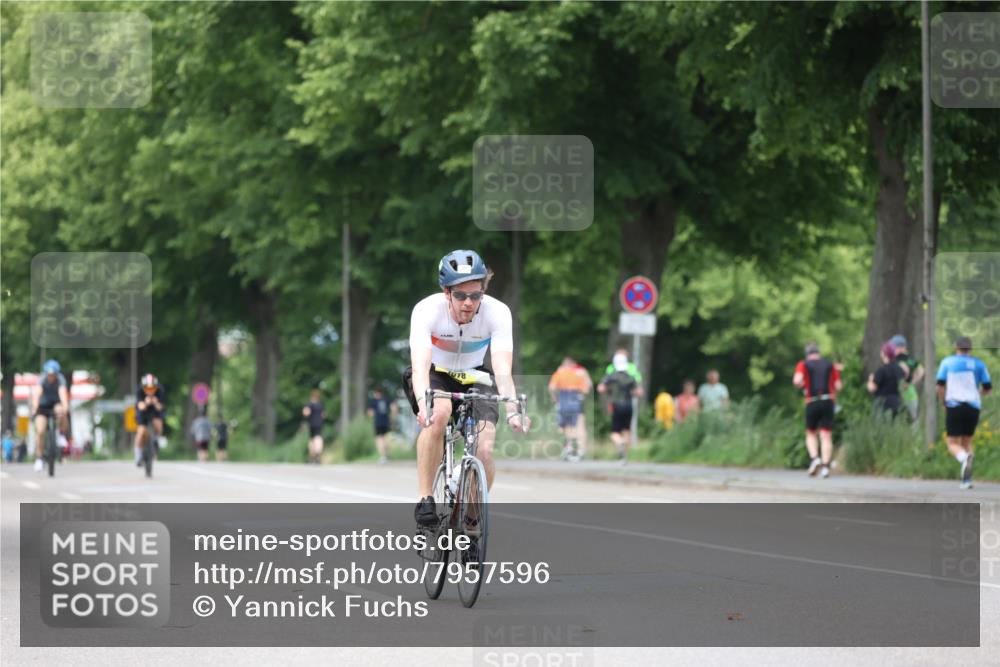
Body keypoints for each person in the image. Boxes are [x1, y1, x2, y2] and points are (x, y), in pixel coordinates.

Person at [405, 249, 529, 527]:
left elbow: (502, 369)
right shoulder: (427, 310)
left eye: (476, 295)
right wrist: (424, 405)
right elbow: (421, 366)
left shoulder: (498, 313)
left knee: (484, 449)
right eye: (460, 295)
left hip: (475, 376)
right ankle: (426, 499)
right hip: (435, 373)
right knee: (438, 414)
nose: (469, 303)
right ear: (446, 292)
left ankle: (471, 523)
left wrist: (513, 410)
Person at [936, 336, 992, 490]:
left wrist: (944, 402)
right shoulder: (979, 364)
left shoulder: (947, 362)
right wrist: (976, 393)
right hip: (973, 406)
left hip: (954, 405)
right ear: (970, 349)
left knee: (952, 443)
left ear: (956, 347)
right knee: (967, 442)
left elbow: (940, 385)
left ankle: (963, 458)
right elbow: (988, 387)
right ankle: (966, 480)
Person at [793, 342, 843, 479]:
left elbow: (797, 381)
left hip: (812, 400)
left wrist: (803, 385)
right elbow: (838, 386)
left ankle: (815, 458)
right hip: (828, 400)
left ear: (807, 354)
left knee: (810, 433)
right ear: (818, 353)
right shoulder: (829, 365)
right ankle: (826, 467)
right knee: (826, 434)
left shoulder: (803, 364)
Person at [598, 353, 642, 465]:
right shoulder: (630, 377)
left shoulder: (611, 376)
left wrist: (608, 391)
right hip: (629, 405)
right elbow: (639, 392)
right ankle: (624, 457)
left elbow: (601, 388)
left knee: (614, 432)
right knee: (627, 430)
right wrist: (631, 393)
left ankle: (620, 443)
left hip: (616, 405)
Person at [548, 356, 592, 461]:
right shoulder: (579, 374)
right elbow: (586, 390)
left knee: (566, 426)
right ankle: (581, 450)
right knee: (580, 426)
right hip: (576, 400)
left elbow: (551, 387)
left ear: (563, 365)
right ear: (573, 365)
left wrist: (555, 398)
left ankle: (569, 449)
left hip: (563, 400)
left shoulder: (559, 373)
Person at [31, 360, 69, 472]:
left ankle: (61, 435)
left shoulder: (61, 380)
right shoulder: (42, 379)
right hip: (43, 406)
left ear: (57, 374)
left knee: (61, 410)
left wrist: (65, 407)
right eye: (49, 374)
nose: (51, 377)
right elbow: (37, 394)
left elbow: (63, 395)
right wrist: (35, 407)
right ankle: (39, 458)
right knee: (40, 431)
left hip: (55, 404)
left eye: (53, 375)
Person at [134, 373, 166, 467]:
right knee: (141, 432)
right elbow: (140, 406)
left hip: (155, 411)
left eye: (152, 388)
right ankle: (138, 456)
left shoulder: (160, 390)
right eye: (147, 389)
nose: (150, 391)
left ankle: (156, 441)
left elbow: (161, 407)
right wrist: (146, 402)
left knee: (158, 424)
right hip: (143, 411)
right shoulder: (139, 390)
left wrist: (156, 403)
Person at [890, 334, 924, 422]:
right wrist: (911, 383)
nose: (893, 349)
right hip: (910, 394)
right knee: (913, 422)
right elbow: (921, 370)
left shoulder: (895, 360)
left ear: (901, 347)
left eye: (894, 347)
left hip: (898, 395)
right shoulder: (909, 360)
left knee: (899, 421)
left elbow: (921, 370)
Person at [867, 343, 906, 418]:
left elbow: (872, 388)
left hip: (882, 403)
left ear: (884, 354)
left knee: (880, 427)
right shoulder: (899, 369)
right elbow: (903, 385)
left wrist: (870, 380)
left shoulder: (881, 370)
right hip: (896, 402)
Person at [367, 388, 392, 464]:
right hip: (386, 422)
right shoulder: (386, 399)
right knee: (385, 438)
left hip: (378, 422)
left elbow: (370, 413)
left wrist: (370, 416)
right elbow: (394, 407)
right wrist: (392, 417)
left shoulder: (374, 401)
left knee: (379, 439)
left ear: (376, 393)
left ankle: (383, 456)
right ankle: (387, 455)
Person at [302, 389, 325, 464]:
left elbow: (306, 413)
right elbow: (323, 415)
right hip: (319, 424)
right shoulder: (320, 405)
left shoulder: (309, 404)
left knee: (312, 439)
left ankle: (312, 456)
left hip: (312, 424)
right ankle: (318, 452)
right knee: (318, 437)